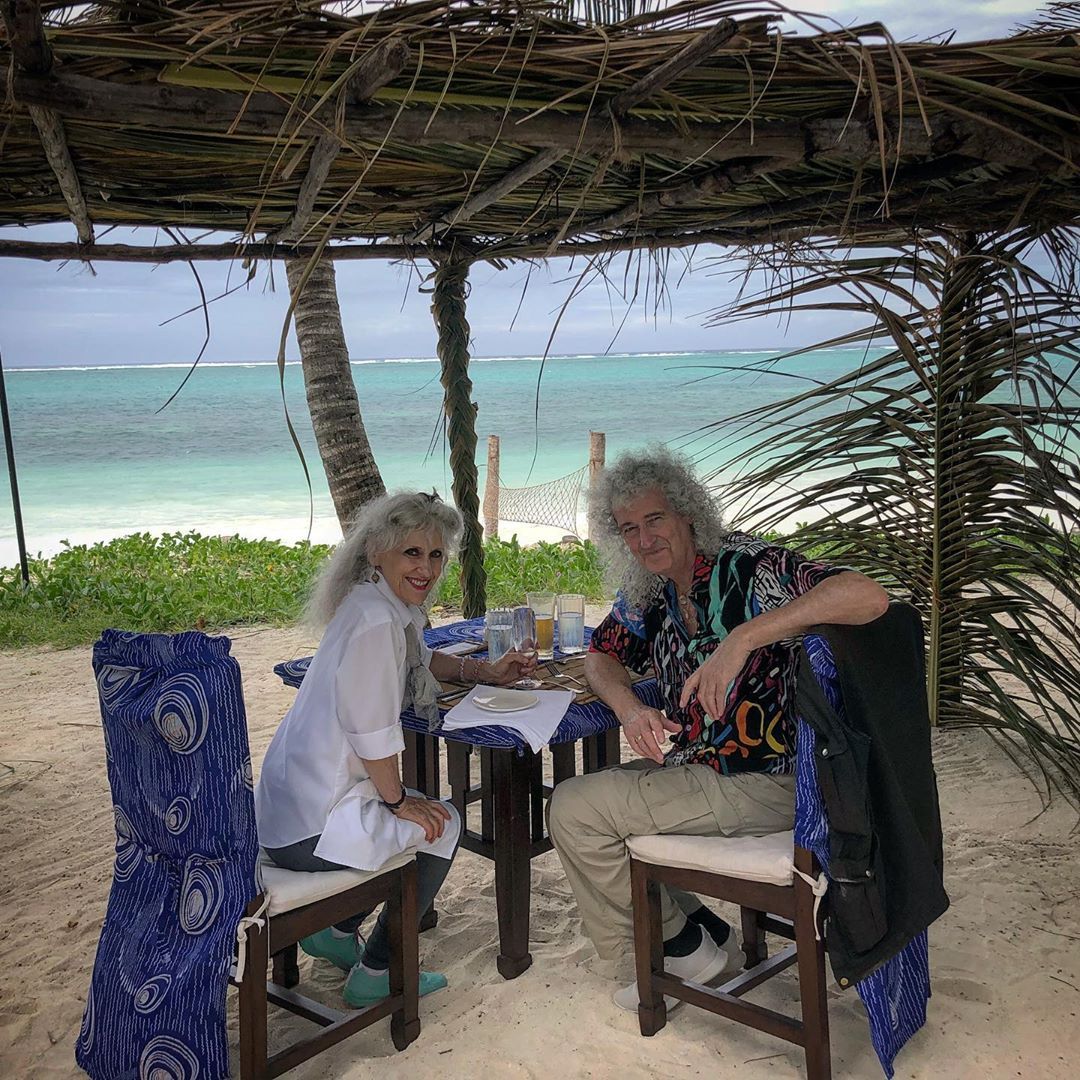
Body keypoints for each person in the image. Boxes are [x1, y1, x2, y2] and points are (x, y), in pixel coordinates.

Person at [547, 449, 889, 1010]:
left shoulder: (750, 570)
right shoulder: (651, 592)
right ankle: (706, 938)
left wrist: (745, 636)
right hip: (702, 769)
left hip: (770, 782)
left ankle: (678, 949)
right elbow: (599, 656)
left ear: (686, 513)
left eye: (654, 520)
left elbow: (867, 596)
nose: (644, 540)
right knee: (601, 806)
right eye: (629, 529)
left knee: (573, 810)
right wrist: (630, 708)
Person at [256, 491, 536, 1007]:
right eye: (412, 553)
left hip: (285, 808)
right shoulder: (377, 621)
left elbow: (422, 657)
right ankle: (378, 972)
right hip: (309, 829)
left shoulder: (376, 604)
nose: (426, 567)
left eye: (435, 555)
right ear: (376, 553)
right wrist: (397, 803)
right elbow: (371, 735)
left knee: (419, 804)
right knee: (442, 824)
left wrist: (483, 671)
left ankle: (336, 932)